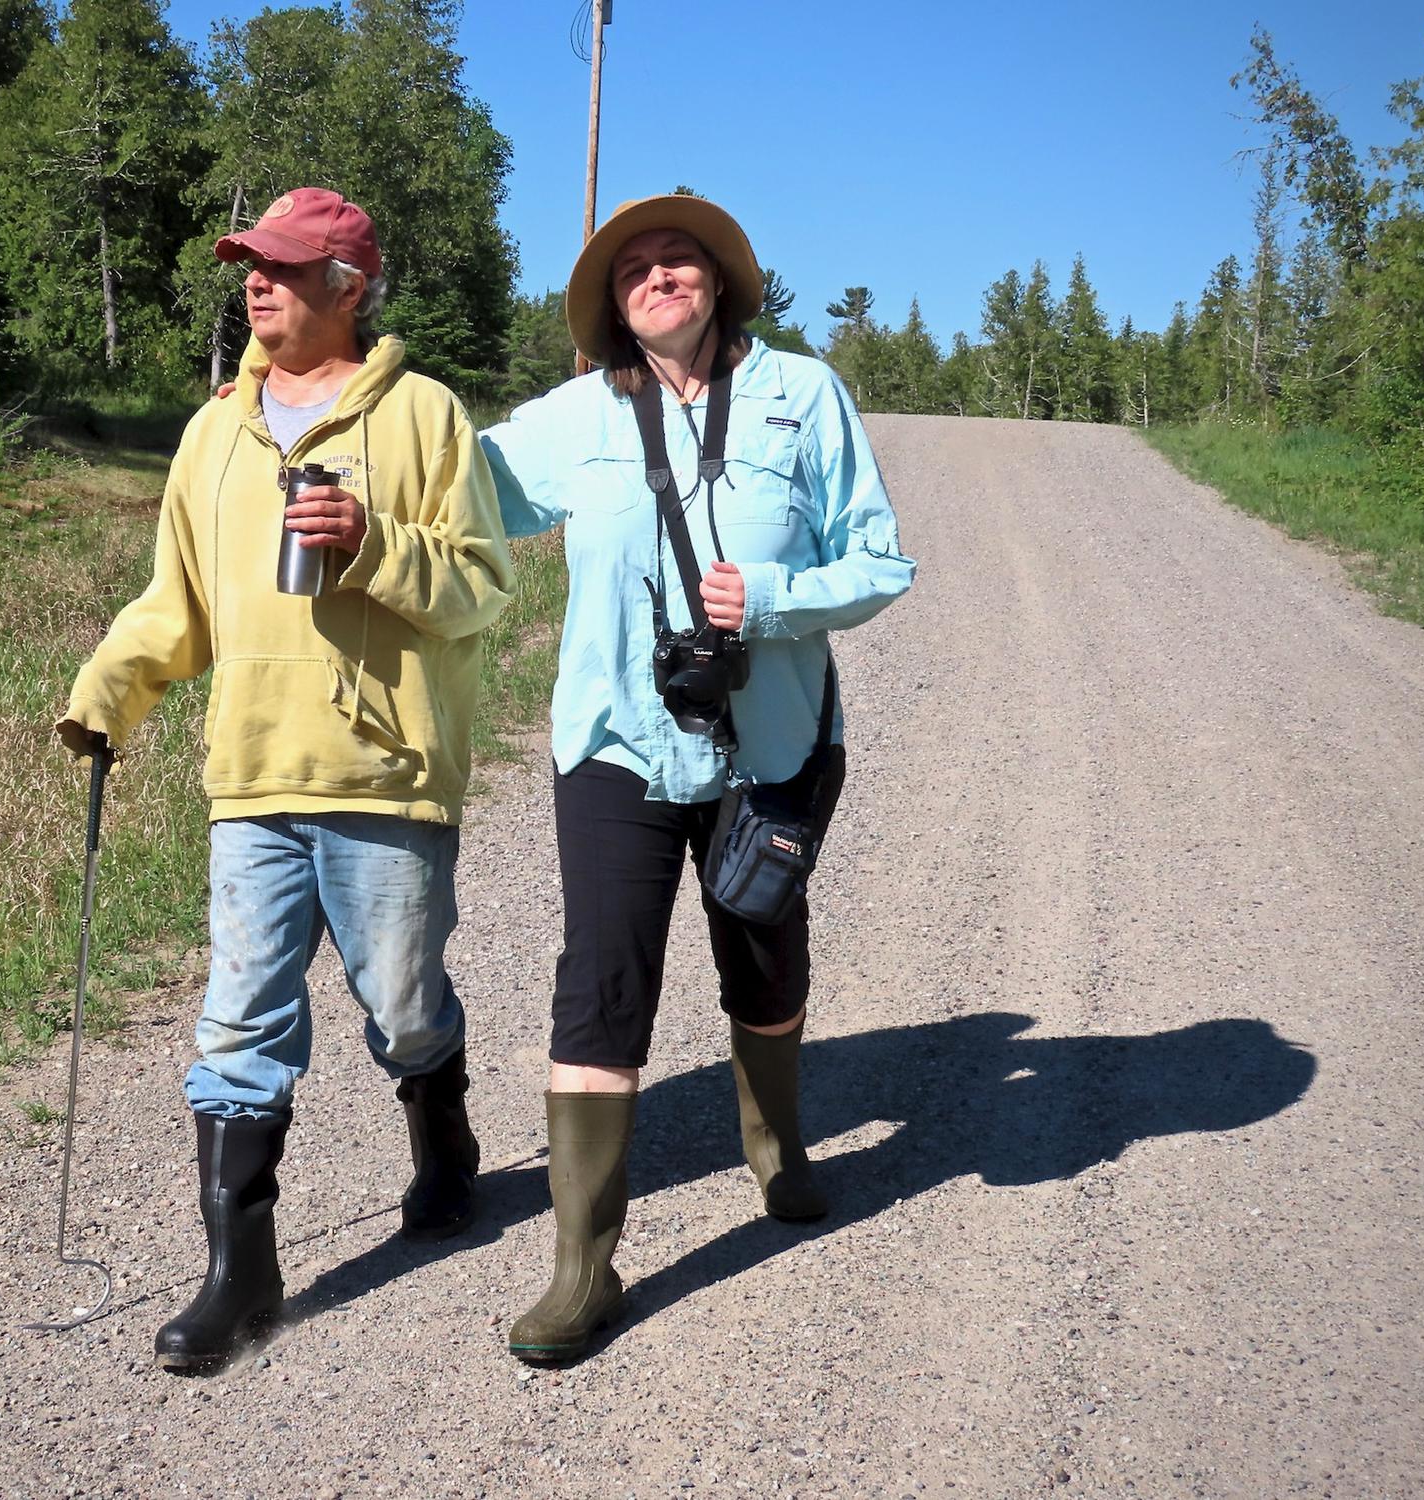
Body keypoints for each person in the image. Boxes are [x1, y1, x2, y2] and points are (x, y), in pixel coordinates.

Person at [55, 187, 515, 1371]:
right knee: (239, 1020)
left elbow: (482, 589)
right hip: (251, 779)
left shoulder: (424, 416)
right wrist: (108, 691)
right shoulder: (215, 432)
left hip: (384, 773)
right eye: (249, 266)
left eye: (284, 267)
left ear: (348, 287)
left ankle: (442, 1148)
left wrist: (371, 544)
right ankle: (240, 1280)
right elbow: (178, 601)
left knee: (404, 1007)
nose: (255, 283)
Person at [478, 194, 916, 1362]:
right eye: (634, 269)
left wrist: (774, 602)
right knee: (601, 979)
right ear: (613, 306)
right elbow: (456, 482)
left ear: (719, 281)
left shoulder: (802, 394)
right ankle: (582, 1268)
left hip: (764, 745)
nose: (658, 277)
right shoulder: (574, 416)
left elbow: (879, 561)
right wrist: (303, 405)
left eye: (679, 260)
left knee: (763, 951)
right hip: (619, 742)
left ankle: (775, 1152)